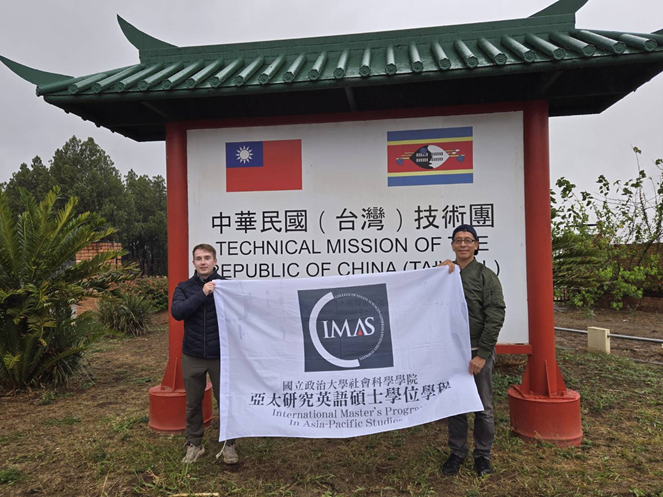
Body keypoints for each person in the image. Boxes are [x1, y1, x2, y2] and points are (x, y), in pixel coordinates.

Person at [440, 224, 506, 477]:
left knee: (483, 407)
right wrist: (439, 272)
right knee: (456, 405)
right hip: (452, 351)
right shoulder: (445, 274)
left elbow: (495, 314)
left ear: (477, 245)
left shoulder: (485, 276)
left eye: (468, 240)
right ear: (453, 245)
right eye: (458, 240)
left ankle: (482, 455)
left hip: (478, 350)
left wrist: (482, 354)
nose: (463, 244)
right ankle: (457, 452)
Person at [171, 243, 238, 465]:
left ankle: (230, 444)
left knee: (226, 401)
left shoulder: (227, 286)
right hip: (193, 354)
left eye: (207, 258)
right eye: (198, 258)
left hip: (221, 355)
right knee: (193, 402)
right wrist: (202, 293)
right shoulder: (184, 287)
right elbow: (177, 312)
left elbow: (241, 314)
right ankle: (194, 444)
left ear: (215, 261)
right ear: (193, 263)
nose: (203, 262)